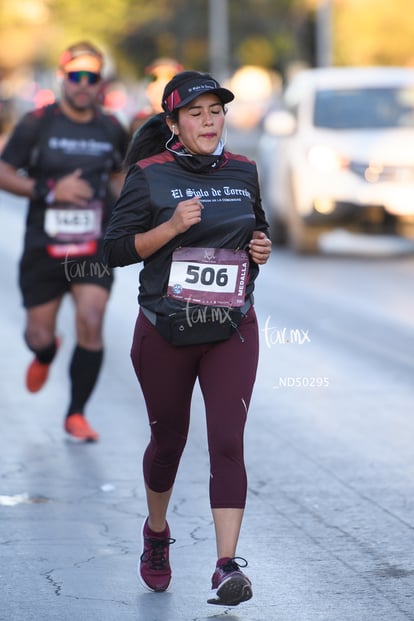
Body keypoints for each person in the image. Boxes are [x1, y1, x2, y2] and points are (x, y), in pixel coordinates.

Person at [104, 70, 272, 605]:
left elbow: (255, 236)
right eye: (195, 113)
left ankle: (225, 566)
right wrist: (172, 228)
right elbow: (113, 251)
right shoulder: (149, 174)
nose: (208, 121)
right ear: (173, 122)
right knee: (169, 441)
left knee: (227, 440)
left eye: (216, 111)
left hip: (230, 327)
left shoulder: (244, 171)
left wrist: (259, 252)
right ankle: (157, 533)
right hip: (165, 329)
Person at [0, 41, 129, 442]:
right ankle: (45, 352)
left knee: (91, 319)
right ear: (64, 78)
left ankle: (76, 414)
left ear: (101, 82)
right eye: (77, 76)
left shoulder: (111, 128)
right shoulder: (37, 124)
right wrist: (51, 189)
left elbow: (119, 177)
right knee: (38, 336)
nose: (84, 84)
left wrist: (127, 205)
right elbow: (4, 172)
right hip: (45, 245)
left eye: (92, 77)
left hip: (92, 244)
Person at [129, 57, 183, 135]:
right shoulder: (138, 123)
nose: (161, 84)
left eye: (169, 77)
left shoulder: (188, 121)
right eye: (154, 78)